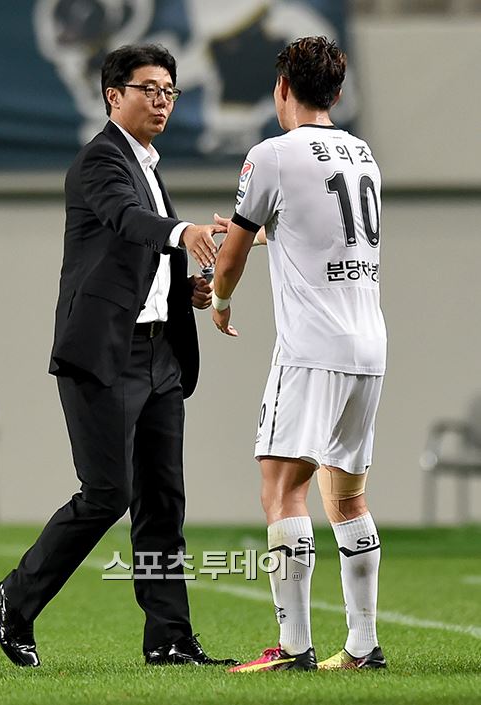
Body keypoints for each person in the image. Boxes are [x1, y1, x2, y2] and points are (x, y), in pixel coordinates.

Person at [0, 43, 236, 668]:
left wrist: (185, 288)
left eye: (170, 91)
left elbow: (136, 263)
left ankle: (169, 638)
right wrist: (185, 232)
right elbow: (127, 222)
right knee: (107, 493)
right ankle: (17, 596)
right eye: (149, 89)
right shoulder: (100, 160)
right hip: (105, 356)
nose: (162, 101)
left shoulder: (148, 164)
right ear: (112, 96)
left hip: (160, 357)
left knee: (163, 501)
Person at [211, 36, 387, 672]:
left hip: (312, 349)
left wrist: (220, 301)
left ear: (281, 87)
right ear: (336, 92)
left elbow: (228, 259)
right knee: (347, 496)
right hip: (368, 344)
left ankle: (293, 649)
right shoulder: (363, 154)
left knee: (281, 489)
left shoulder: (271, 156)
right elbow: (324, 233)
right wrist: (268, 237)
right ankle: (363, 647)